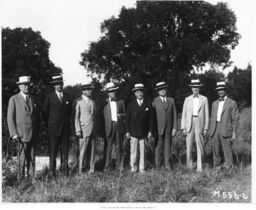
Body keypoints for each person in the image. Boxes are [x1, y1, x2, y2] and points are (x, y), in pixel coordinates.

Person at [7, 76, 40, 181]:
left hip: (32, 134)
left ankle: (32, 179)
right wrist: (14, 133)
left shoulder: (33, 99)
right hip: (20, 135)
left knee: (32, 158)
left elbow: (37, 118)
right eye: (24, 85)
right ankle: (20, 181)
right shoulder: (14, 99)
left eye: (28, 85)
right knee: (21, 159)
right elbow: (10, 118)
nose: (27, 87)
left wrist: (37, 132)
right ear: (20, 86)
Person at [43, 75, 72, 177]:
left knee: (65, 153)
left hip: (65, 130)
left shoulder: (68, 97)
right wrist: (51, 124)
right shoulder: (49, 97)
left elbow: (70, 113)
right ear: (54, 86)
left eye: (60, 83)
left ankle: (65, 173)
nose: (59, 86)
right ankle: (52, 173)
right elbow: (45, 113)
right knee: (53, 152)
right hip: (53, 129)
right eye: (56, 84)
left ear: (62, 84)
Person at [209, 81, 239, 170]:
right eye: (218, 90)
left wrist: (234, 132)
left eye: (222, 89)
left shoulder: (232, 103)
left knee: (227, 148)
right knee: (216, 149)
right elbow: (212, 117)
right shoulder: (214, 103)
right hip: (215, 128)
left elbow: (235, 118)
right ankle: (217, 166)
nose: (220, 91)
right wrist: (211, 130)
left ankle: (228, 167)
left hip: (226, 128)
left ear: (225, 90)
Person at [181, 79, 209, 172]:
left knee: (199, 144)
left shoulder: (204, 99)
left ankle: (199, 166)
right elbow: (184, 114)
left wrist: (206, 127)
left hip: (199, 122)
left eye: (197, 87)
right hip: (189, 122)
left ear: (199, 88)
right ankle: (189, 166)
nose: (195, 88)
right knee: (188, 145)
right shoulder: (187, 99)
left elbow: (207, 114)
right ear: (191, 88)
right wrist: (183, 127)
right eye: (194, 87)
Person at [125, 83, 154, 173]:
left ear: (143, 93)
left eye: (141, 92)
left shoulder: (148, 104)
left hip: (144, 132)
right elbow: (127, 119)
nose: (140, 94)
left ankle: (142, 168)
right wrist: (127, 131)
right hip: (133, 132)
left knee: (143, 151)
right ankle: (133, 167)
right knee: (133, 151)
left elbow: (151, 120)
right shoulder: (131, 105)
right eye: (138, 92)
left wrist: (150, 131)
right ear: (135, 94)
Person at [152, 81, 177, 171]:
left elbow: (174, 114)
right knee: (158, 147)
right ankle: (157, 165)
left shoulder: (171, 100)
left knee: (168, 147)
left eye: (163, 89)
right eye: (160, 89)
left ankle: (167, 165)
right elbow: (152, 117)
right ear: (158, 91)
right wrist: (153, 129)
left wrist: (174, 127)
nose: (162, 91)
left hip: (169, 128)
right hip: (158, 129)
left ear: (166, 89)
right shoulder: (155, 101)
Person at [73, 83, 96, 175]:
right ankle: (80, 170)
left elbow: (94, 116)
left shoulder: (92, 102)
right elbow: (76, 117)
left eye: (91, 90)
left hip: (93, 130)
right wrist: (78, 130)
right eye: (89, 90)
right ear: (83, 91)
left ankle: (91, 169)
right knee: (82, 151)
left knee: (92, 151)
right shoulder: (78, 101)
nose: (91, 91)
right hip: (83, 130)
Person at [102, 82, 126, 172]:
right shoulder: (104, 103)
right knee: (109, 146)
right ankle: (107, 166)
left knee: (119, 146)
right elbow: (101, 117)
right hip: (109, 126)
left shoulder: (121, 102)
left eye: (114, 91)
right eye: (111, 91)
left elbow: (125, 113)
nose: (113, 93)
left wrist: (122, 115)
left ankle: (119, 166)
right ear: (108, 92)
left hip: (118, 125)